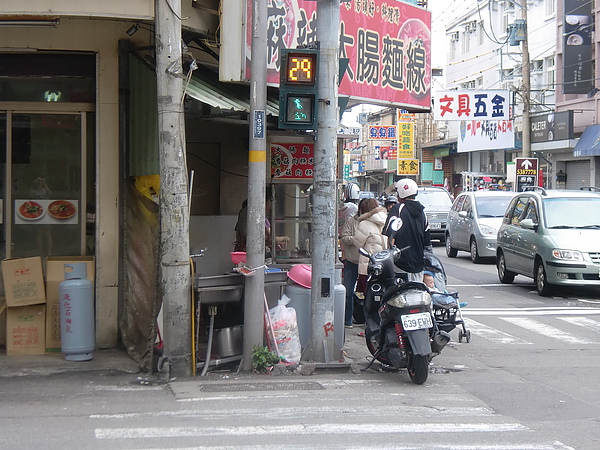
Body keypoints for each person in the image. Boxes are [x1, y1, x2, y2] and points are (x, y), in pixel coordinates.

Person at [383, 178, 431, 282]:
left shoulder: (397, 209)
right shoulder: (423, 212)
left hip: (400, 264)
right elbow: (427, 241)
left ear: (401, 192)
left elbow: (391, 236)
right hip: (418, 265)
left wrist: (390, 256)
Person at [352, 197, 388, 325]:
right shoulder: (386, 219)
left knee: (368, 297)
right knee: (384, 295)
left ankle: (370, 325)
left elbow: (358, 243)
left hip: (369, 265)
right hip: (386, 264)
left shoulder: (364, 224)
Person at [233, 188, 289, 253]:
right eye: (271, 202)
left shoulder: (260, 213)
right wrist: (279, 239)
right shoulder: (250, 212)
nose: (271, 206)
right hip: (248, 252)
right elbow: (249, 235)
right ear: (265, 200)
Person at [339, 199, 361, 328]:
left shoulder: (374, 222)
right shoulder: (351, 221)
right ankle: (348, 320)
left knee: (371, 293)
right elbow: (344, 237)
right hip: (352, 260)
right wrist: (356, 239)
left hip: (369, 262)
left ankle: (368, 320)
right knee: (348, 291)